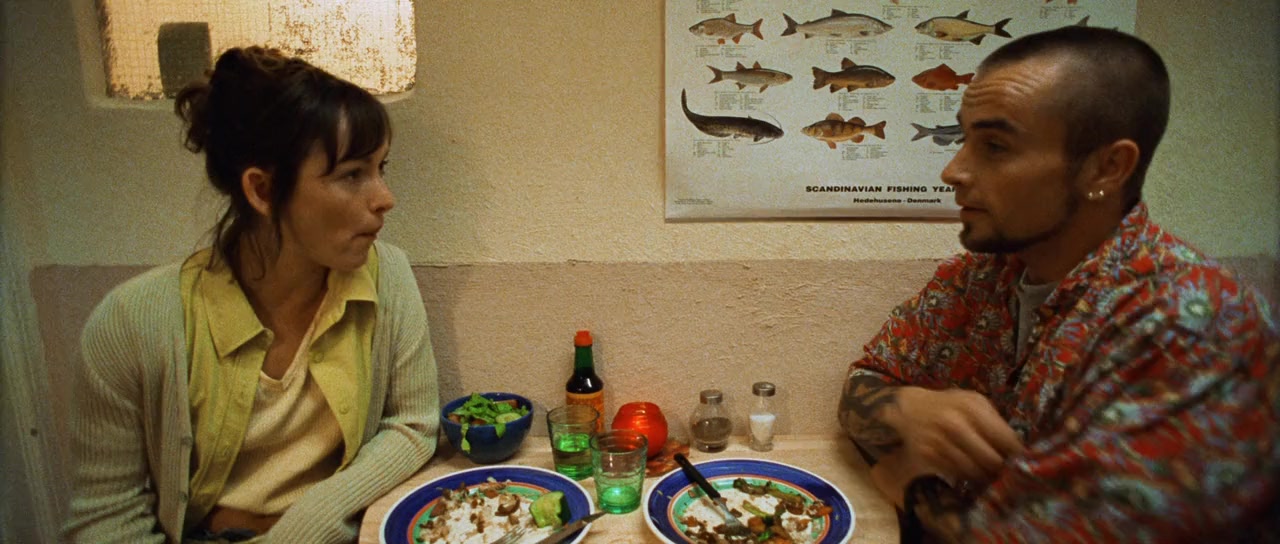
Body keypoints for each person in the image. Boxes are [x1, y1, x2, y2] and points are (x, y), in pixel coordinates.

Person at [838, 26, 1278, 543]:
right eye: (964, 140)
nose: (952, 171)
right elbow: (865, 380)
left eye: (995, 146)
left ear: (1106, 168)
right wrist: (905, 410)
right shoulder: (985, 276)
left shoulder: (1193, 324)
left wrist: (912, 488)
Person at [64, 47, 439, 543]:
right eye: (352, 175)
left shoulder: (386, 276)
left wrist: (305, 527)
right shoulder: (132, 324)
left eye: (380, 168)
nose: (384, 198)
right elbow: (105, 521)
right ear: (261, 190)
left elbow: (413, 424)